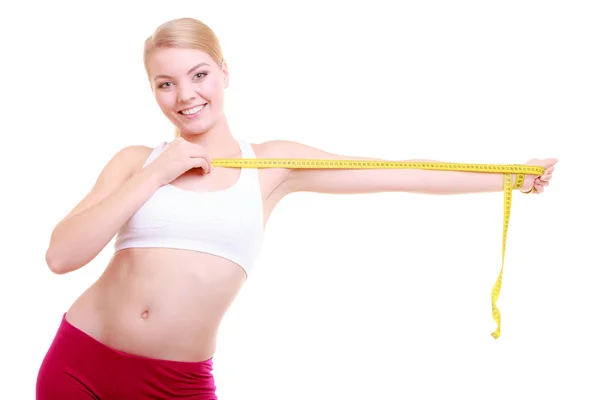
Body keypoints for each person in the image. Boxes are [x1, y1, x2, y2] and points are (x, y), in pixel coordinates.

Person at [35, 17, 558, 399]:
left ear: (223, 72)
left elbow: (397, 171)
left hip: (178, 384)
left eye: (198, 75)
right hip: (82, 364)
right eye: (165, 83)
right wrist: (156, 173)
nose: (185, 96)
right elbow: (61, 255)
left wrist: (508, 176)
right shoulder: (136, 161)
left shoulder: (270, 166)